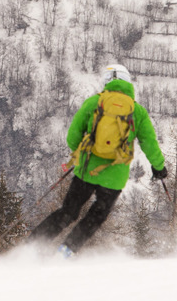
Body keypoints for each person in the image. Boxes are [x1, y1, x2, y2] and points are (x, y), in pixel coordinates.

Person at [32, 63, 167, 255]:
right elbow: (150, 144)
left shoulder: (94, 103)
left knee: (68, 212)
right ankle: (66, 251)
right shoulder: (138, 112)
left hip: (86, 170)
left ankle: (31, 247)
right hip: (114, 178)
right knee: (96, 216)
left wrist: (81, 153)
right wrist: (159, 167)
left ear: (106, 82)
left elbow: (72, 137)